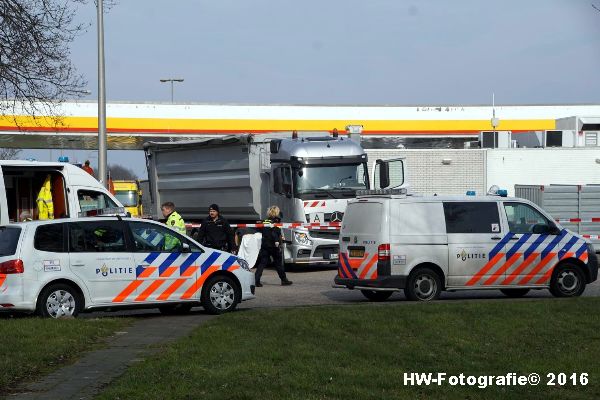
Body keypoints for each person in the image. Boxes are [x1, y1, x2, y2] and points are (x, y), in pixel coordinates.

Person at [254, 205, 292, 287]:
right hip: (273, 245)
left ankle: (256, 280)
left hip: (265, 244)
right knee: (278, 263)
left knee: (262, 263)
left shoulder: (265, 221)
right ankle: (284, 280)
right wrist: (278, 241)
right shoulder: (277, 222)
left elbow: (261, 230)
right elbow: (275, 233)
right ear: (276, 212)